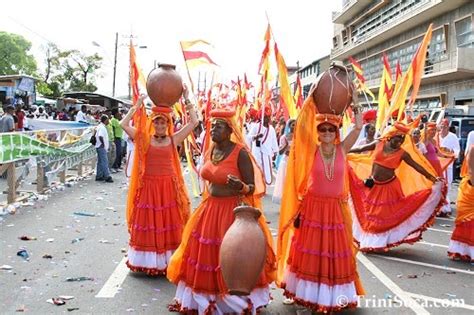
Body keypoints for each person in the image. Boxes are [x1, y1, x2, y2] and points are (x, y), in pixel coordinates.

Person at [167, 108, 276, 314]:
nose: (214, 130)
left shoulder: (240, 153)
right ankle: (208, 299)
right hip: (210, 210)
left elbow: (253, 187)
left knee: (230, 257)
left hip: (231, 213)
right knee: (206, 255)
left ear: (229, 130)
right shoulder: (211, 150)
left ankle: (234, 302)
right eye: (213, 126)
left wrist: (241, 187)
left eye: (219, 126)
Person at [277, 89, 365, 312]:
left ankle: (332, 295)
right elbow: (301, 130)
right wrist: (311, 100)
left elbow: (357, 127)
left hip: (334, 210)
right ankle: (301, 292)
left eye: (330, 129)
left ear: (336, 131)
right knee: (309, 252)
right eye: (322, 129)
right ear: (318, 132)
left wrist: (354, 102)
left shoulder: (342, 149)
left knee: (333, 254)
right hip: (312, 209)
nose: (326, 132)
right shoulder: (311, 151)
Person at [120, 88, 198, 275]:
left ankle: (167, 262)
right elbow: (123, 124)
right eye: (157, 123)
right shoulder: (143, 138)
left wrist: (187, 99)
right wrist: (137, 106)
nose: (160, 126)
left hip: (168, 188)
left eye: (163, 123)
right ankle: (149, 262)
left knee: (168, 223)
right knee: (150, 223)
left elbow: (195, 122)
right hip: (149, 187)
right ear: (152, 124)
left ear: (168, 124)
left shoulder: (174, 139)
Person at [348, 121, 445, 251]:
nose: (400, 140)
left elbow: (417, 167)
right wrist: (341, 150)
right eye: (397, 137)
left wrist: (432, 178)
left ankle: (378, 243)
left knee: (382, 216)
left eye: (402, 138)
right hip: (373, 186)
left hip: (389, 188)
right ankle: (368, 240)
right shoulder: (379, 143)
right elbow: (360, 149)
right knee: (370, 213)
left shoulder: (402, 153)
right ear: (390, 136)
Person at [448, 145, 474, 262]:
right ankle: (464, 251)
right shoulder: (473, 148)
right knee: (468, 220)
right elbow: (471, 168)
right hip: (470, 186)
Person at [248, 107, 279, 185]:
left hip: (267, 154)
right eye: (265, 117)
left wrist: (276, 151)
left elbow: (274, 141)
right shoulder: (256, 126)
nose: (267, 119)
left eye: (268, 117)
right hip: (257, 153)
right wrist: (256, 136)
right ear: (261, 117)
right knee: (258, 171)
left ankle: (263, 186)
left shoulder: (271, 129)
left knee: (267, 173)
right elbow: (249, 137)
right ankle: (259, 187)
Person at [438, 119, 460, 216]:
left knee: (447, 185)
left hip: (448, 165)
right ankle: (439, 207)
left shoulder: (453, 136)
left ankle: (445, 207)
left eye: (445, 126)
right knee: (438, 186)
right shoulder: (436, 135)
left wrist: (449, 152)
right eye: (442, 126)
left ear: (448, 127)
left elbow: (457, 150)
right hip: (438, 165)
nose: (443, 128)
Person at [272, 119, 295, 204]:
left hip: (295, 162)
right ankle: (285, 202)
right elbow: (280, 152)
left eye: (296, 124)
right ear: (289, 126)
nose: (294, 126)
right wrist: (287, 145)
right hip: (286, 161)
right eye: (292, 125)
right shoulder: (284, 137)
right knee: (284, 182)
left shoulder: (299, 137)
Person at [95, 115, 113, 183]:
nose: (108, 121)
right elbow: (100, 136)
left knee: (100, 162)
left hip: (99, 146)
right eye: (108, 120)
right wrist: (103, 144)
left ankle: (99, 175)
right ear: (105, 120)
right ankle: (107, 176)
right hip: (101, 146)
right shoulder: (102, 127)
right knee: (104, 161)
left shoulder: (100, 126)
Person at [110, 108, 124, 173]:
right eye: (118, 112)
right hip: (116, 138)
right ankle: (113, 166)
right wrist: (114, 138)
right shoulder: (113, 120)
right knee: (116, 153)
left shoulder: (117, 120)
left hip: (120, 138)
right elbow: (113, 129)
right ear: (115, 113)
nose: (119, 113)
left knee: (120, 153)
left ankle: (117, 166)